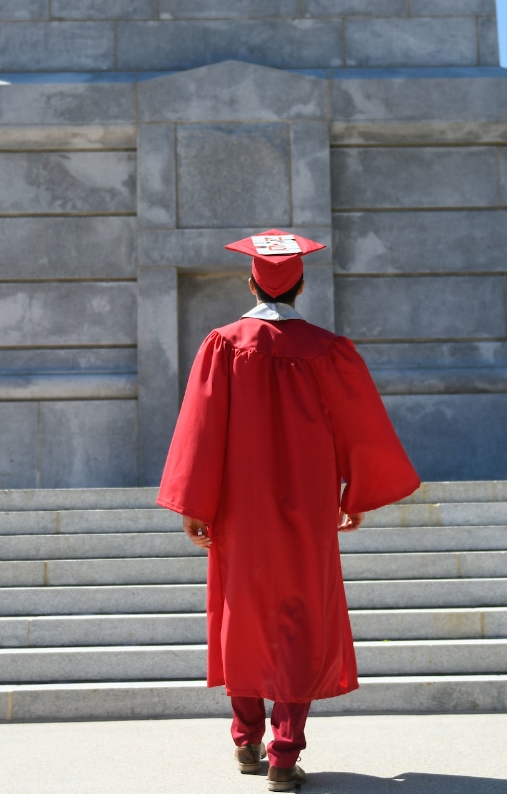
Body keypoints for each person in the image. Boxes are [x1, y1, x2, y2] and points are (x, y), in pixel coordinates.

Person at [157, 231, 421, 792]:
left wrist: (194, 505)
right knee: (301, 618)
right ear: (301, 285)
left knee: (242, 613)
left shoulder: (224, 345)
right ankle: (283, 754)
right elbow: (362, 428)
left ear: (250, 280)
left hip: (239, 508)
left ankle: (246, 739)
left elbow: (200, 431)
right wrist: (355, 496)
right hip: (309, 505)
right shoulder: (327, 349)